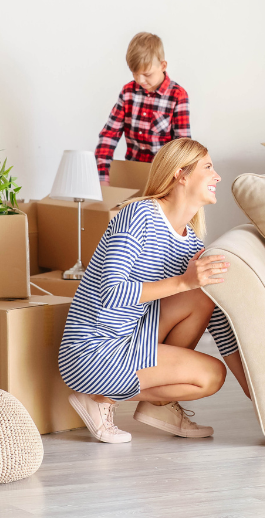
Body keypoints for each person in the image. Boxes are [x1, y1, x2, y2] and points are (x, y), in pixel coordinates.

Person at [59, 138, 249, 444]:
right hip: (93, 349)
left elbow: (219, 324)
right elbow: (111, 292)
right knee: (209, 370)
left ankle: (158, 406)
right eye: (209, 167)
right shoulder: (138, 216)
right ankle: (99, 399)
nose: (218, 176)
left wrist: (256, 394)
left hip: (133, 340)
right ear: (181, 174)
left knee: (205, 306)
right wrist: (184, 282)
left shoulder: (191, 245)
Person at [95, 31, 191, 184]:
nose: (140, 80)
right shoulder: (128, 92)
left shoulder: (178, 96)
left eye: (147, 74)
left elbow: (183, 147)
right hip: (132, 174)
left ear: (163, 65)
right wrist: (102, 178)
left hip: (163, 178)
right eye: (135, 73)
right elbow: (109, 135)